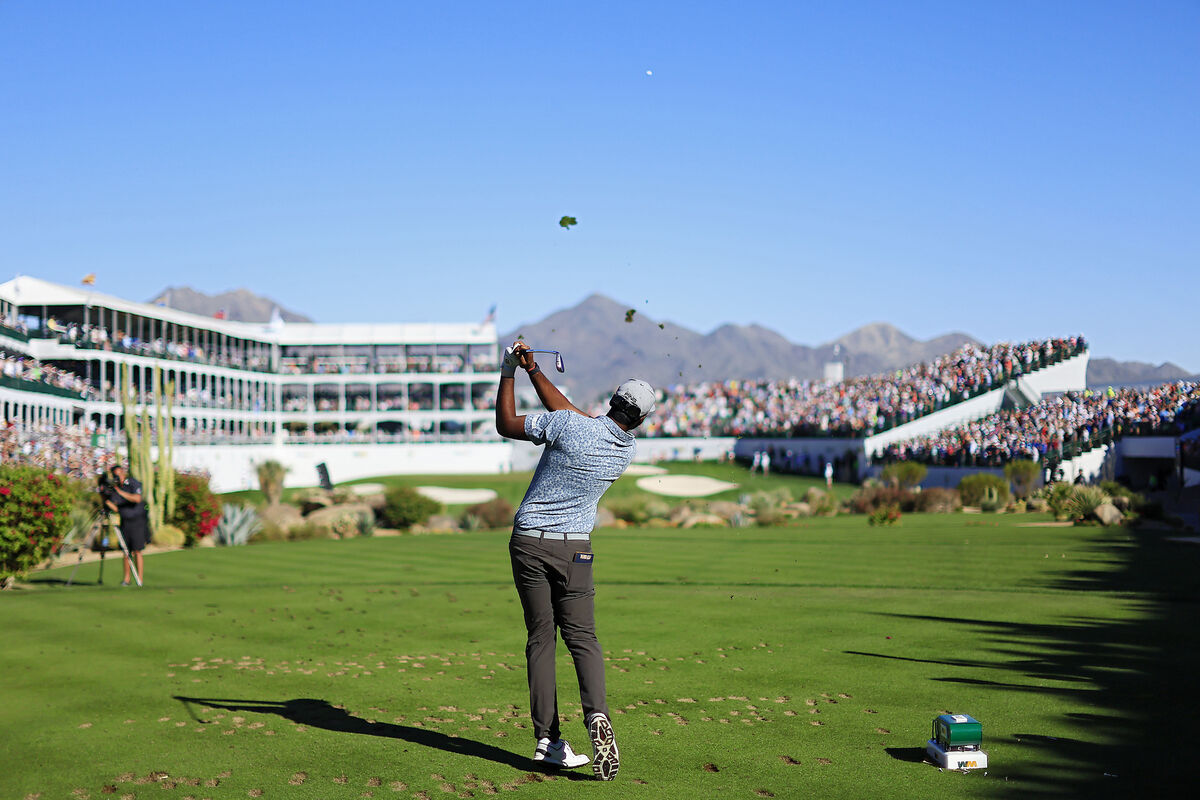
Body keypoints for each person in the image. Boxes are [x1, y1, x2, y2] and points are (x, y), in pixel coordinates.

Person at [495, 341, 655, 781]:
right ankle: (596, 715)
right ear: (639, 420)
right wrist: (533, 371)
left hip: (528, 541)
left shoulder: (570, 426)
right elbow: (571, 415)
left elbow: (508, 424)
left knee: (541, 639)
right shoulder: (625, 451)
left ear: (610, 400)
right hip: (576, 551)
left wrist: (509, 371)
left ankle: (547, 738)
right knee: (583, 639)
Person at [103, 464, 149, 585]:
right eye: (115, 475)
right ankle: (126, 579)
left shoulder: (132, 483)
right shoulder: (116, 488)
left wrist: (120, 492)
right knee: (126, 551)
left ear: (123, 472)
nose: (118, 477)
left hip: (137, 521)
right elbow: (117, 508)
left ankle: (140, 579)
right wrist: (105, 500)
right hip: (125, 521)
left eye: (119, 474)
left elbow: (137, 499)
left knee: (137, 550)